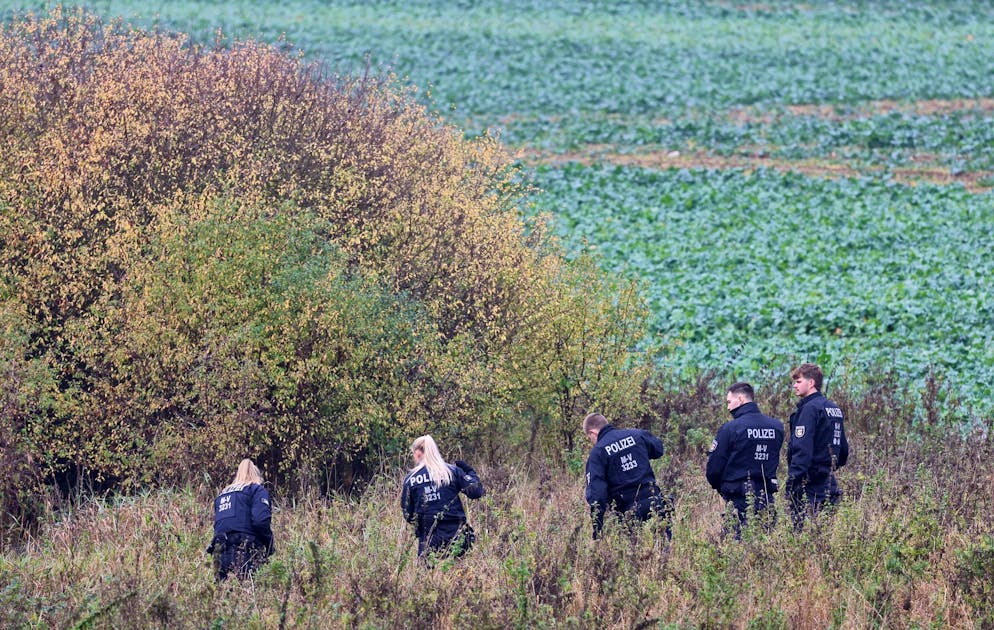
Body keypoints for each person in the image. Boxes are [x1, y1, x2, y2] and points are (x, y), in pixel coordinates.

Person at [706, 382, 785, 538]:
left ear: (740, 399)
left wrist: (721, 488)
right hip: (766, 497)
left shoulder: (731, 428)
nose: (728, 407)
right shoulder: (776, 427)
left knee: (736, 545)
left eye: (729, 402)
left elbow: (714, 468)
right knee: (765, 545)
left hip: (738, 498)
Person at [583, 412, 672, 539]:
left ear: (592, 432)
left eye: (589, 438)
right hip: (655, 502)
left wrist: (598, 529)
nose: (592, 441)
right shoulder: (637, 435)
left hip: (628, 512)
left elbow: (597, 495)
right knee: (664, 550)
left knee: (633, 554)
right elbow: (658, 449)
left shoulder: (597, 453)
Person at [786, 363, 849, 529]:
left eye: (798, 381)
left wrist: (793, 482)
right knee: (825, 534)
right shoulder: (834, 408)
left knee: (802, 534)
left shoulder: (809, 409)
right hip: (829, 481)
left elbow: (802, 450)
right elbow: (843, 450)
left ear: (811, 383)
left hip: (810, 483)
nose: (794, 385)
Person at [401, 435, 484, 561]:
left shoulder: (411, 479)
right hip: (457, 534)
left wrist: (420, 526)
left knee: (429, 578)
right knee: (459, 575)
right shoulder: (452, 471)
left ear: (418, 453)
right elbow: (476, 492)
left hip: (429, 538)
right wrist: (470, 472)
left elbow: (408, 513)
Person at [207, 458, 274, 580]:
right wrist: (269, 546)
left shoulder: (222, 495)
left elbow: (218, 524)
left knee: (222, 596)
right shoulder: (256, 490)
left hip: (219, 551)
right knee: (250, 593)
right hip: (245, 550)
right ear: (257, 476)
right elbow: (261, 520)